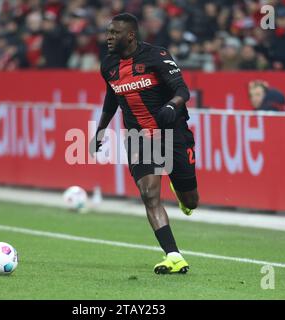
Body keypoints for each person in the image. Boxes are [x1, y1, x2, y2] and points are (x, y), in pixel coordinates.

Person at [90, 13, 198, 275]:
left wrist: (173, 106)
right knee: (149, 193)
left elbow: (183, 90)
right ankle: (173, 255)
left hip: (172, 132)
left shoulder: (156, 56)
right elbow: (112, 98)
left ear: (130, 35)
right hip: (139, 137)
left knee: (191, 201)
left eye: (114, 33)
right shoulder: (109, 65)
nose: (108, 38)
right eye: (107, 33)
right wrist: (100, 131)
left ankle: (178, 187)